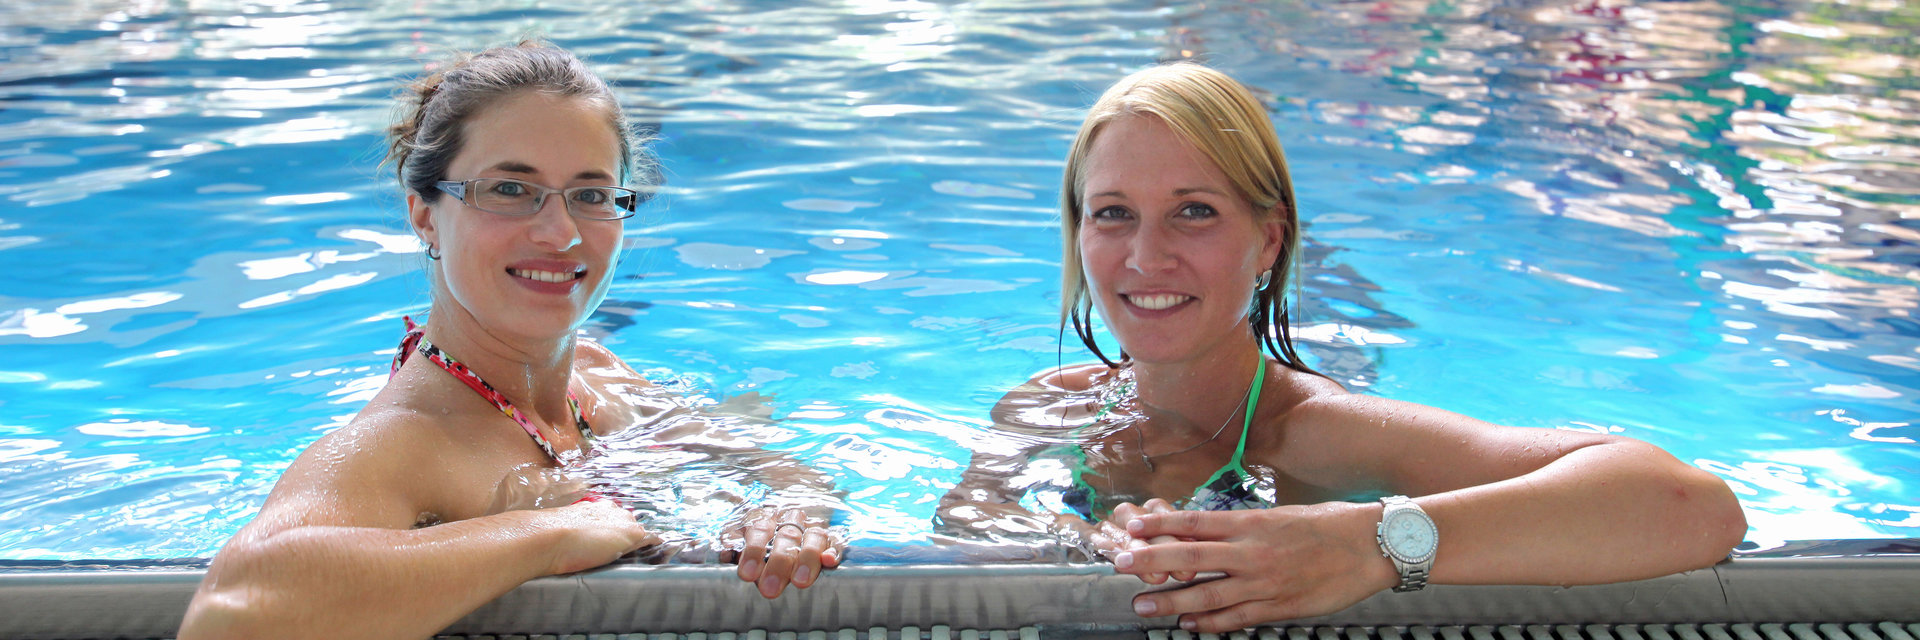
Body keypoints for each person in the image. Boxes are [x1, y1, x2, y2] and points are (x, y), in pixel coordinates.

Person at [937, 62, 1746, 632]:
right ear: (1078, 236)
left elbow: (1687, 502)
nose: (1147, 257)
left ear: (1267, 240)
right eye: (1112, 213)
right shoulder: (1051, 404)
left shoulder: (1321, 434)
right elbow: (964, 521)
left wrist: (1369, 545)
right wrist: (1089, 541)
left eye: (1194, 211)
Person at [180, 41, 839, 640]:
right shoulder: (404, 444)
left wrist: (782, 515)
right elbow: (233, 609)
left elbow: (787, 473)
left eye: (591, 194)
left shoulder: (599, 373)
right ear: (424, 214)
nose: (560, 233)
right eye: (510, 190)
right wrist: (546, 532)